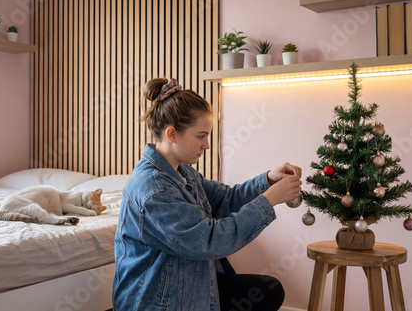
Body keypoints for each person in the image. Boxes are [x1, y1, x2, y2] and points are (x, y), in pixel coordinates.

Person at [112, 78, 302, 311]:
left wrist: (268, 180)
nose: (207, 145)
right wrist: (269, 199)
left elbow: (226, 199)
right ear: (172, 134)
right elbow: (209, 241)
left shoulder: (183, 172)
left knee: (268, 290)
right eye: (201, 136)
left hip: (187, 284)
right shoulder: (155, 189)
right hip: (158, 301)